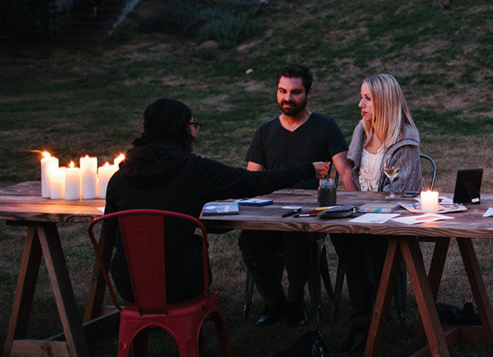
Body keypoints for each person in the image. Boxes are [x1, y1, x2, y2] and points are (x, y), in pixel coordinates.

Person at [104, 98, 327, 305]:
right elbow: (252, 182)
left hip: (129, 284)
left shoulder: (119, 178)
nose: (195, 132)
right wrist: (306, 170)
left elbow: (110, 234)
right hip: (178, 281)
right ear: (181, 130)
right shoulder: (192, 170)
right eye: (193, 126)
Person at [238, 65, 352, 327]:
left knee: (295, 234)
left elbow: (345, 170)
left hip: (311, 214)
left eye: (295, 92)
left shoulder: (325, 127)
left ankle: (296, 301)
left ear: (309, 92)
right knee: (248, 240)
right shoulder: (264, 132)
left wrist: (359, 203)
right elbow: (251, 180)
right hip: (271, 213)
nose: (287, 98)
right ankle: (274, 301)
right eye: (282, 91)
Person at [330, 74, 421, 352]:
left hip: (392, 223)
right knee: (338, 230)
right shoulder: (361, 131)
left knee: (355, 240)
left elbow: (401, 196)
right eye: (361, 97)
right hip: (361, 218)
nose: (360, 104)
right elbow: (352, 180)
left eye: (367, 98)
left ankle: (363, 317)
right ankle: (370, 298)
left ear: (385, 102)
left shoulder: (404, 141)